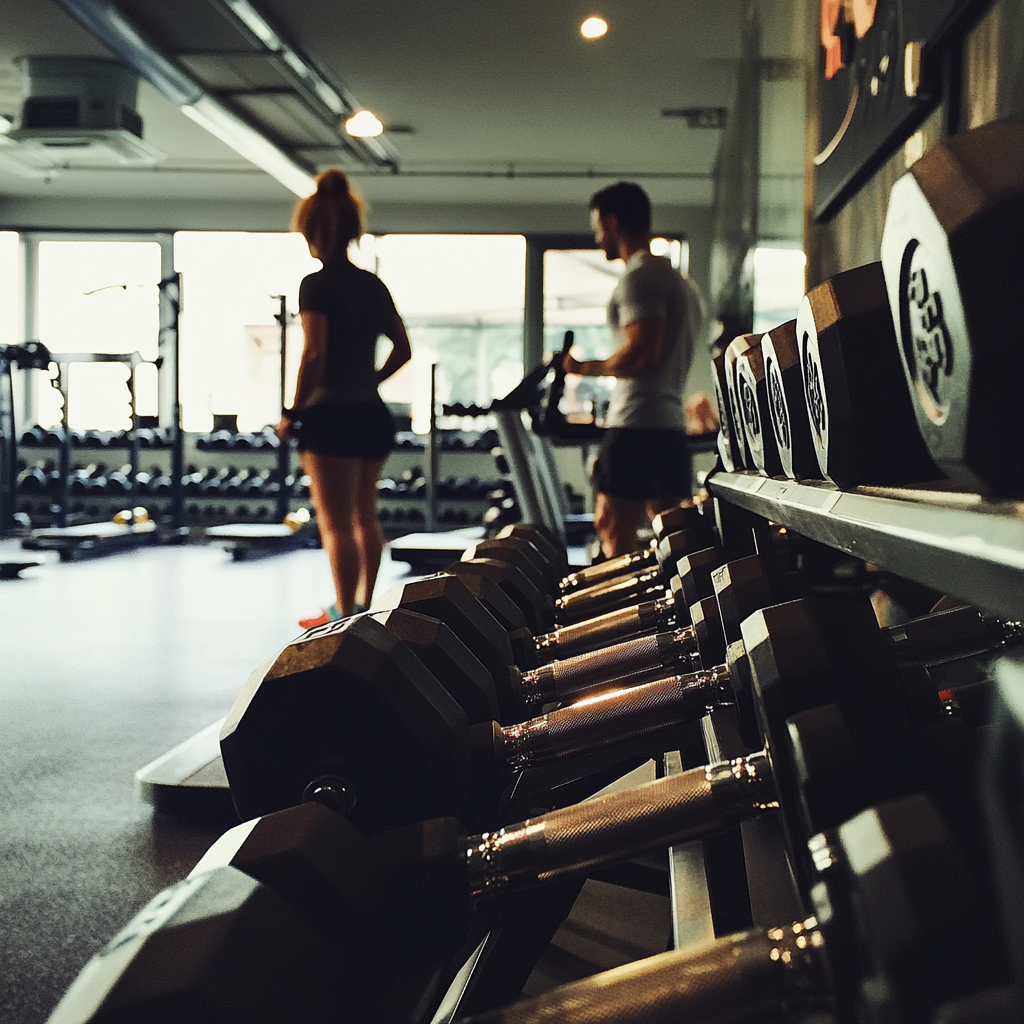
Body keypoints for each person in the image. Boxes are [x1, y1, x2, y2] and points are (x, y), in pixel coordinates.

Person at [276, 169, 412, 628]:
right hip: (370, 414)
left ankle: (343, 616)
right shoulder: (372, 285)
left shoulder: (315, 284)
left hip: (329, 417)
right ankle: (362, 607)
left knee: (335, 525)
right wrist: (369, 379)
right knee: (364, 517)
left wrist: (292, 411)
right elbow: (404, 349)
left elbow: (314, 352)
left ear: (312, 231)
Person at [563, 181, 703, 558]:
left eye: (597, 226)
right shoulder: (681, 283)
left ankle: (626, 616)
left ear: (611, 221)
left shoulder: (639, 277)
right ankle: (677, 614)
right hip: (669, 426)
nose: (596, 237)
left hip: (637, 422)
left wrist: (582, 367)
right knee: (672, 537)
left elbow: (642, 356)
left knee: (611, 525)